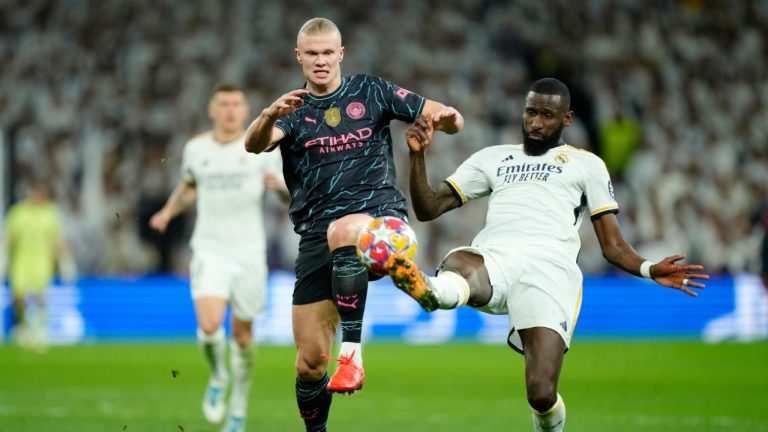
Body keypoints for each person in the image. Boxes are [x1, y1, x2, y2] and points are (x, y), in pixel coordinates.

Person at [384, 77, 708, 432]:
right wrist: (418, 156)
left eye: (547, 115)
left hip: (549, 272)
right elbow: (429, 208)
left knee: (540, 393)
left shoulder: (587, 165)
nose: (536, 123)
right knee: (462, 265)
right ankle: (432, 291)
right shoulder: (493, 158)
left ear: (567, 120)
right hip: (495, 257)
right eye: (531, 112)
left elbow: (612, 246)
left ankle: (440, 294)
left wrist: (648, 268)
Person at [244, 17, 463, 432]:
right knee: (308, 363)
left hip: (379, 221)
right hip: (315, 236)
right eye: (312, 54)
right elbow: (254, 144)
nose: (321, 61)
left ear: (341, 54)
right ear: (299, 57)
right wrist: (268, 112)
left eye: (328, 53)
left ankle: (353, 355)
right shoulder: (292, 109)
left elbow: (448, 117)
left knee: (343, 230)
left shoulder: (371, 91)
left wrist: (448, 119)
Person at [149, 83, 285, 432]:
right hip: (209, 249)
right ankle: (219, 375)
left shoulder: (264, 147)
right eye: (223, 104)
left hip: (249, 254)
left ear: (245, 111)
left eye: (236, 104)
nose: (229, 110)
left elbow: (288, 195)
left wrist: (280, 187)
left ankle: (238, 406)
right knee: (210, 327)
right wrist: (167, 211)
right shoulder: (196, 149)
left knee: (242, 337)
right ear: (212, 110)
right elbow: (188, 187)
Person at [1, 179, 76, 351]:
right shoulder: (18, 212)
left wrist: (66, 260)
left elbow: (57, 239)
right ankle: (23, 327)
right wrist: (3, 258)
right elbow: (9, 237)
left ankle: (40, 329)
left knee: (41, 296)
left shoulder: (50, 213)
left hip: (42, 260)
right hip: (21, 260)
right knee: (18, 296)